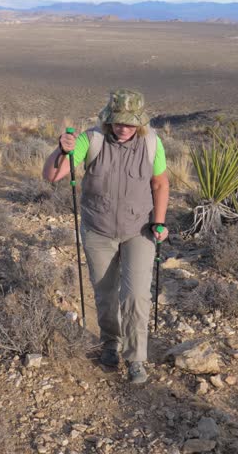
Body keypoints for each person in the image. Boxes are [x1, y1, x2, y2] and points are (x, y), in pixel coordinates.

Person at [42, 88, 170, 384]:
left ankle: (136, 357)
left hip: (139, 230)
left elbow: (160, 184)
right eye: (117, 121)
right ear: (108, 119)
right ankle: (111, 342)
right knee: (105, 292)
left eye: (129, 122)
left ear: (139, 122)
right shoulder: (92, 139)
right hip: (98, 229)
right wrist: (61, 150)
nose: (122, 128)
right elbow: (52, 176)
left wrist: (159, 222)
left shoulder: (152, 143)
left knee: (136, 294)